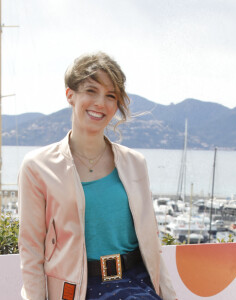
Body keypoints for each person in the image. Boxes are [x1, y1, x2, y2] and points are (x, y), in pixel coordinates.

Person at [18, 51, 177, 300]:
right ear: (70, 94)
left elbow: (151, 243)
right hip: (77, 290)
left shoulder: (135, 164)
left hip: (137, 285)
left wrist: (169, 294)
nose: (100, 103)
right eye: (91, 91)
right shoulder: (37, 167)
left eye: (110, 96)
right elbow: (31, 251)